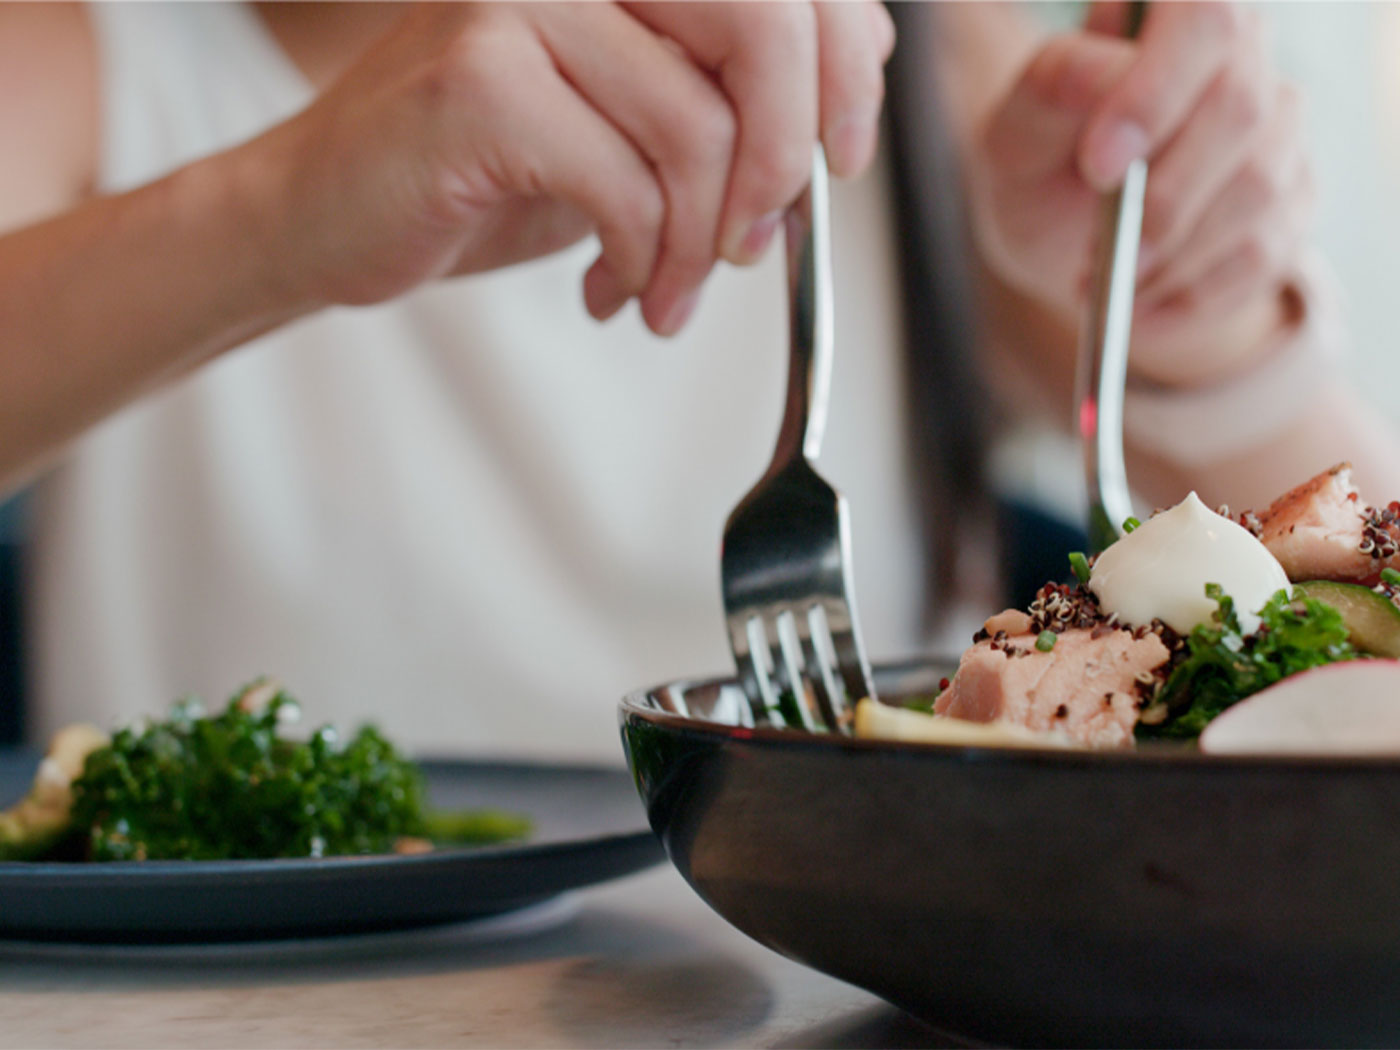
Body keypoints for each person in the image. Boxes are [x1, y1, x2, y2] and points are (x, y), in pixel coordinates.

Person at [0, 2, 1390, 762]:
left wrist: (1198, 329)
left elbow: (1366, 614)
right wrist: (281, 204)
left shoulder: (914, 58)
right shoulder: (83, 52)